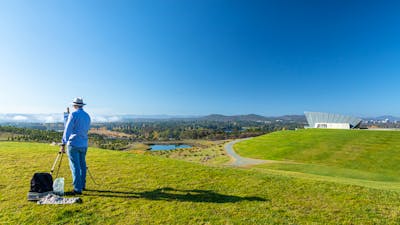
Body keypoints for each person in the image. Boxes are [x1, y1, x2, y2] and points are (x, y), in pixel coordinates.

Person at [60, 97, 91, 195]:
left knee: (75, 166)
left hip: (73, 144)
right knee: (82, 165)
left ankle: (77, 188)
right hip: (83, 144)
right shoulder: (87, 116)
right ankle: (82, 185)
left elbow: (68, 130)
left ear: (75, 105)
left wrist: (63, 143)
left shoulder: (73, 115)